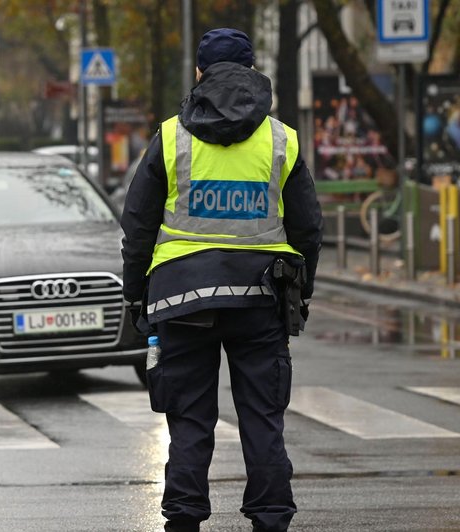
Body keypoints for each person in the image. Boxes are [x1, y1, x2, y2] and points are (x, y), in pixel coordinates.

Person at [120, 28, 323, 532]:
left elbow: (138, 225)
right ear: (252, 71)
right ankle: (272, 518)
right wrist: (304, 290)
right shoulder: (282, 139)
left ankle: (185, 518)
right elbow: (308, 227)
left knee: (189, 420)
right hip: (261, 298)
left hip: (181, 299)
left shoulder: (170, 137)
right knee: (262, 418)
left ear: (198, 74)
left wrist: (135, 294)